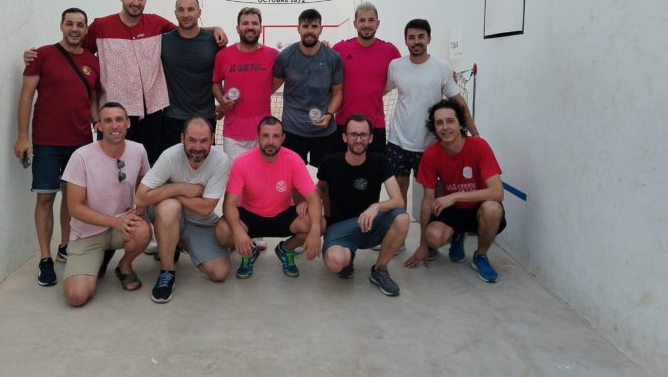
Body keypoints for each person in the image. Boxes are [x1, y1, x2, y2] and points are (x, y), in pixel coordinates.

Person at [23, 0, 227, 165]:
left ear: (146, 0)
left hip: (152, 115)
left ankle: (145, 206)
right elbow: (74, 49)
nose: (135, 2)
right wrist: (41, 55)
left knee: (149, 169)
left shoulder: (156, 23)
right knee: (111, 169)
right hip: (114, 114)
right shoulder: (101, 26)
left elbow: (186, 31)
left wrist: (214, 28)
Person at [14, 7, 100, 287]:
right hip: (46, 141)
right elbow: (26, 97)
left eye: (80, 25)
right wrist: (22, 137)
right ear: (61, 26)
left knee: (71, 199)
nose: (75, 29)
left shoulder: (92, 61)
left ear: (86, 30)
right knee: (45, 199)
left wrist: (96, 118)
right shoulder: (41, 56)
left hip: (80, 143)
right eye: (70, 23)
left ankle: (65, 246)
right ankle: (44, 258)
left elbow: (93, 96)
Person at [385, 19, 479, 258]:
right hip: (398, 141)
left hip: (431, 146)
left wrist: (475, 135)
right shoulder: (395, 66)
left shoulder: (441, 68)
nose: (416, 42)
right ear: (405, 40)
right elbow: (379, 91)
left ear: (429, 38)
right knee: (399, 193)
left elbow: (459, 104)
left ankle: (431, 241)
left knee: (434, 196)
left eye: (421, 37)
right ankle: (400, 240)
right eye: (411, 37)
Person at [403, 100, 505, 283]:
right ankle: (457, 234)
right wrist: (423, 245)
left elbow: (497, 192)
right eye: (439, 123)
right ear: (434, 127)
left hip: (479, 208)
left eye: (450, 121)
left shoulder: (479, 146)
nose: (445, 127)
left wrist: (455, 195)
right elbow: (427, 201)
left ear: (461, 124)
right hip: (455, 211)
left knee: (492, 208)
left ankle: (480, 255)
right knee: (433, 237)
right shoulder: (431, 154)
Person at [61, 103, 153, 306]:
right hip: (87, 233)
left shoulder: (138, 150)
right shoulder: (81, 157)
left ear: (128, 123)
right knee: (76, 297)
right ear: (99, 126)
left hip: (122, 224)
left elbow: (144, 180)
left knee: (143, 231)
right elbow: (74, 208)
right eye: (108, 120)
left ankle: (124, 266)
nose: (115, 125)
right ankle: (100, 256)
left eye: (119, 119)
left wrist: (141, 206)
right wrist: (114, 222)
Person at [135, 117, 232, 303]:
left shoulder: (221, 161)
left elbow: (206, 208)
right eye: (192, 140)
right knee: (170, 207)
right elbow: (140, 197)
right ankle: (167, 272)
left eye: (204, 140)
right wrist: (181, 189)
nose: (198, 147)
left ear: (212, 139)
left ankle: (173, 242)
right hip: (166, 214)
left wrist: (172, 193)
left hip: (199, 220)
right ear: (182, 138)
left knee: (220, 272)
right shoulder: (170, 156)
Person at [215, 117, 324, 279]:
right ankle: (249, 252)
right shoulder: (241, 163)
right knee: (222, 232)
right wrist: (238, 231)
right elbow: (229, 204)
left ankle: (286, 250)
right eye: (265, 136)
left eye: (275, 136)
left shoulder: (294, 160)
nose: (270, 141)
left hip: (282, 214)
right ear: (258, 137)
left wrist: (315, 230)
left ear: (283, 138)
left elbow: (313, 197)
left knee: (320, 224)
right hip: (249, 215)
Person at [317, 114, 409, 296]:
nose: (358, 140)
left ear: (371, 138)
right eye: (353, 134)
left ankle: (380, 269)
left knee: (402, 218)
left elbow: (398, 201)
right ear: (345, 137)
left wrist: (376, 207)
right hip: (340, 226)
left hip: (370, 224)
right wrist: (308, 205)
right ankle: (347, 257)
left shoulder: (380, 161)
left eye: (363, 135)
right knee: (336, 262)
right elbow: (319, 189)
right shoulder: (330, 162)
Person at [272, 8, 343, 168]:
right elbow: (269, 88)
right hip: (292, 131)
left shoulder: (333, 58)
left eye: (314, 26)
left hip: (325, 131)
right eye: (305, 26)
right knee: (294, 181)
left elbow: (338, 93)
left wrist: (330, 115)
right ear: (298, 28)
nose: (309, 31)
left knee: (327, 181)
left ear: (321, 29)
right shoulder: (285, 57)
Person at [332, 2, 401, 154]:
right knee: (340, 176)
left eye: (371, 20)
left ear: (378, 23)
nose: (366, 24)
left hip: (375, 126)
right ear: (355, 24)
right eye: (362, 20)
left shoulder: (390, 51)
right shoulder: (339, 49)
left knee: (374, 176)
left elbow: (409, 72)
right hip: (343, 125)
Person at [213, 7, 279, 159]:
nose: (250, 27)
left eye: (254, 23)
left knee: (261, 180)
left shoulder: (273, 55)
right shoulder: (223, 55)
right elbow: (216, 83)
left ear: (260, 28)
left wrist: (264, 91)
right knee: (236, 180)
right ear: (238, 28)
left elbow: (282, 76)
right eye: (245, 23)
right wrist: (221, 100)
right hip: (233, 136)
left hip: (263, 134)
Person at [160, 0, 220, 151]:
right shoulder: (163, 41)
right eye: (181, 10)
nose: (186, 14)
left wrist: (222, 101)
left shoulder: (214, 41)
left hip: (205, 117)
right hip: (172, 118)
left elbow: (225, 74)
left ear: (199, 12)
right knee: (173, 172)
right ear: (175, 13)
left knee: (204, 169)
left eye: (191, 9)